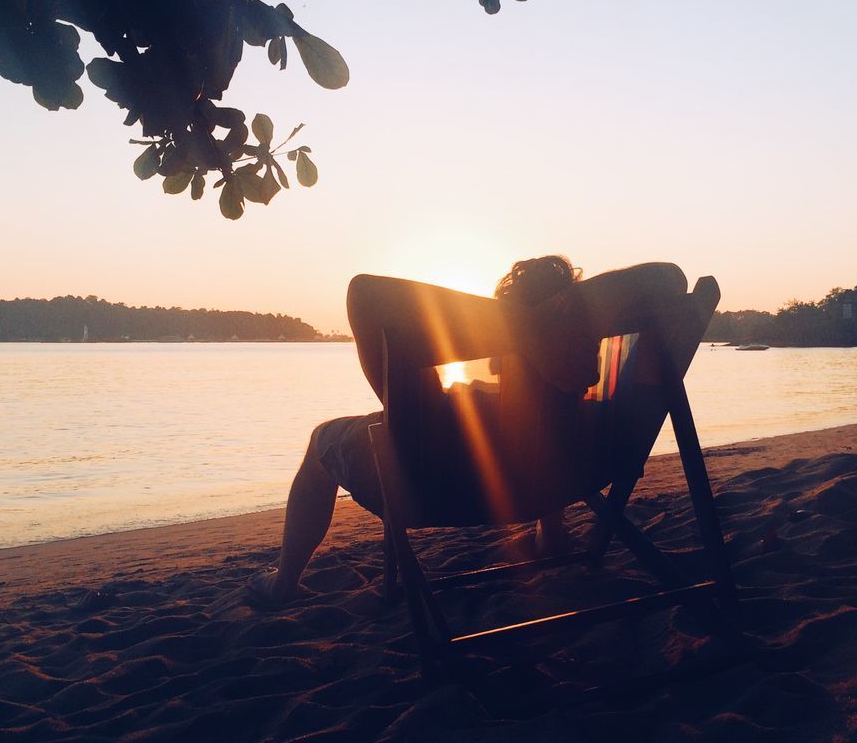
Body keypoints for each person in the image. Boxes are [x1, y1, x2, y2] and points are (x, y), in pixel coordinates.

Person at [245, 258, 687, 606]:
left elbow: (364, 292)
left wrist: (529, 327)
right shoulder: (606, 420)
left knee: (323, 439)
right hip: (567, 476)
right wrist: (564, 318)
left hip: (435, 483)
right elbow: (671, 279)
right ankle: (551, 533)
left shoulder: (443, 429)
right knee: (543, 422)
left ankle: (283, 584)